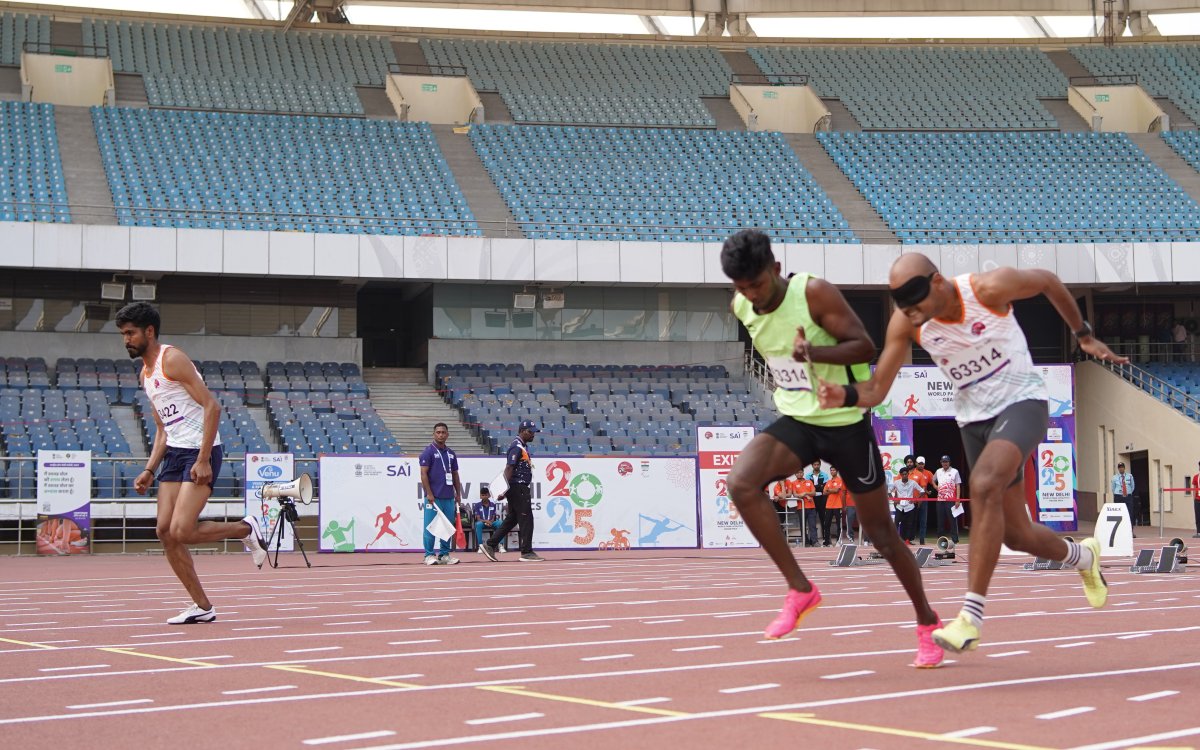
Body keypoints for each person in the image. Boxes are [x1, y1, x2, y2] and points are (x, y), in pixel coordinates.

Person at [817, 253, 1122, 654]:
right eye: (905, 308)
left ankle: (970, 617)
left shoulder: (988, 289)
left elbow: (1047, 279)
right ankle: (1084, 556)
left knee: (982, 484)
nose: (914, 315)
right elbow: (876, 391)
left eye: (918, 304)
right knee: (1017, 533)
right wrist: (845, 395)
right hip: (973, 421)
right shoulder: (907, 323)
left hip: (1022, 402)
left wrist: (1082, 334)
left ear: (938, 282)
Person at [720, 229, 944, 668]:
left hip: (845, 421)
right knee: (741, 484)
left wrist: (813, 354)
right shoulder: (742, 305)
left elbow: (865, 346)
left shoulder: (814, 293)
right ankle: (801, 589)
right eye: (742, 288)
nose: (753, 296)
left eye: (758, 285)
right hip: (800, 419)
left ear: (776, 270)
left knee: (881, 536)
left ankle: (926, 621)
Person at [116, 302, 267, 625]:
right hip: (174, 453)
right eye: (123, 334)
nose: (126, 339)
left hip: (201, 452)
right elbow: (161, 429)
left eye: (130, 333)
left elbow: (211, 407)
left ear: (149, 332)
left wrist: (202, 459)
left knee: (182, 530)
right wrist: (149, 469)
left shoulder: (172, 359)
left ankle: (246, 528)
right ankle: (202, 606)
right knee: (164, 532)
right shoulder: (146, 374)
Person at [479, 419, 544, 562]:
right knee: (527, 519)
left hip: (517, 487)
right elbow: (509, 467)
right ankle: (526, 552)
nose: (533, 435)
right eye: (531, 432)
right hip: (518, 488)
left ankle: (490, 545)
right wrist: (503, 489)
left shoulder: (521, 446)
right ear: (522, 431)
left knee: (512, 519)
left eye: (534, 432)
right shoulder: (517, 447)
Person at [419, 422, 464, 566]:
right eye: (438, 432)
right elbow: (423, 474)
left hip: (449, 497)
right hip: (434, 497)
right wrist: (429, 493)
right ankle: (429, 555)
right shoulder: (428, 452)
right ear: (434, 434)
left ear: (447, 434)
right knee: (430, 526)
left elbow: (455, 475)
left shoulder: (451, 454)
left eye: (443, 432)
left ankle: (444, 555)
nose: (441, 435)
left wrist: (458, 494)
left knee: (447, 527)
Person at [934, 456, 962, 543]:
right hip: (940, 499)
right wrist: (936, 487)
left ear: (949, 462)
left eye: (946, 461)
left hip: (951, 499)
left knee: (952, 519)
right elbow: (932, 480)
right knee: (940, 520)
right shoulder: (938, 471)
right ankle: (941, 540)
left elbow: (958, 485)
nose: (945, 463)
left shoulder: (955, 471)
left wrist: (957, 499)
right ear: (941, 462)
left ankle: (955, 539)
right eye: (943, 461)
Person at [472, 484, 507, 553]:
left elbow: (493, 517)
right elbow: (478, 518)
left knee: (500, 523)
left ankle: (501, 546)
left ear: (489, 495)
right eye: (482, 495)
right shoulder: (477, 505)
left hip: (491, 522)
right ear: (480, 496)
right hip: (482, 522)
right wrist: (486, 521)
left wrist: (490, 521)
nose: (484, 497)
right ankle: (481, 546)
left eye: (486, 495)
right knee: (478, 524)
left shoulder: (493, 504)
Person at [804, 459, 832, 545]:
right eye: (815, 465)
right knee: (811, 520)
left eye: (818, 464)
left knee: (823, 519)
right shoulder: (808, 475)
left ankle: (826, 539)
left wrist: (817, 487)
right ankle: (811, 540)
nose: (816, 466)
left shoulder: (825, 475)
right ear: (812, 465)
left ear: (820, 465)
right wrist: (818, 486)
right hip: (812, 499)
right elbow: (809, 488)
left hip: (822, 498)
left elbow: (824, 488)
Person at [891, 466, 922, 543]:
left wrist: (916, 499)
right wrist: (894, 500)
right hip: (899, 506)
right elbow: (889, 491)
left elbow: (922, 491)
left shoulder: (913, 482)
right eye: (903, 474)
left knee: (909, 524)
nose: (904, 476)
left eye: (906, 474)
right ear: (900, 475)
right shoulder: (896, 483)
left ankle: (907, 540)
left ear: (908, 474)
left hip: (909, 507)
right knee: (896, 523)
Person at [909, 455, 934, 544]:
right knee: (912, 520)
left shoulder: (928, 473)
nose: (921, 465)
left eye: (922, 464)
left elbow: (934, 483)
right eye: (919, 463)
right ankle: (910, 539)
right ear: (916, 463)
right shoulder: (911, 472)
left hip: (924, 500)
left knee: (923, 520)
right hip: (913, 500)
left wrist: (929, 491)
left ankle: (922, 539)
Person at [1111, 462, 1137, 535]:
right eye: (1119, 467)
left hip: (1128, 497)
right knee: (1119, 513)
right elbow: (1113, 488)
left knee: (1130, 514)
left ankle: (1130, 531)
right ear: (1118, 469)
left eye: (1122, 467)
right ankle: (1119, 532)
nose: (1121, 469)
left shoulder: (1129, 476)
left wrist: (1128, 493)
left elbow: (1133, 486)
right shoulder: (1114, 477)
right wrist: (1119, 493)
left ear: (1124, 468)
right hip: (1118, 496)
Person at [823, 466, 846, 544]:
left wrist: (829, 490)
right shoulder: (828, 481)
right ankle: (827, 541)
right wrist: (831, 490)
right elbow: (824, 492)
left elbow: (836, 490)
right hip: (829, 505)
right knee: (827, 524)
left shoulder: (840, 480)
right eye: (831, 470)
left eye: (834, 470)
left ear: (837, 471)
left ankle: (838, 541)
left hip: (837, 505)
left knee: (838, 524)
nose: (832, 471)